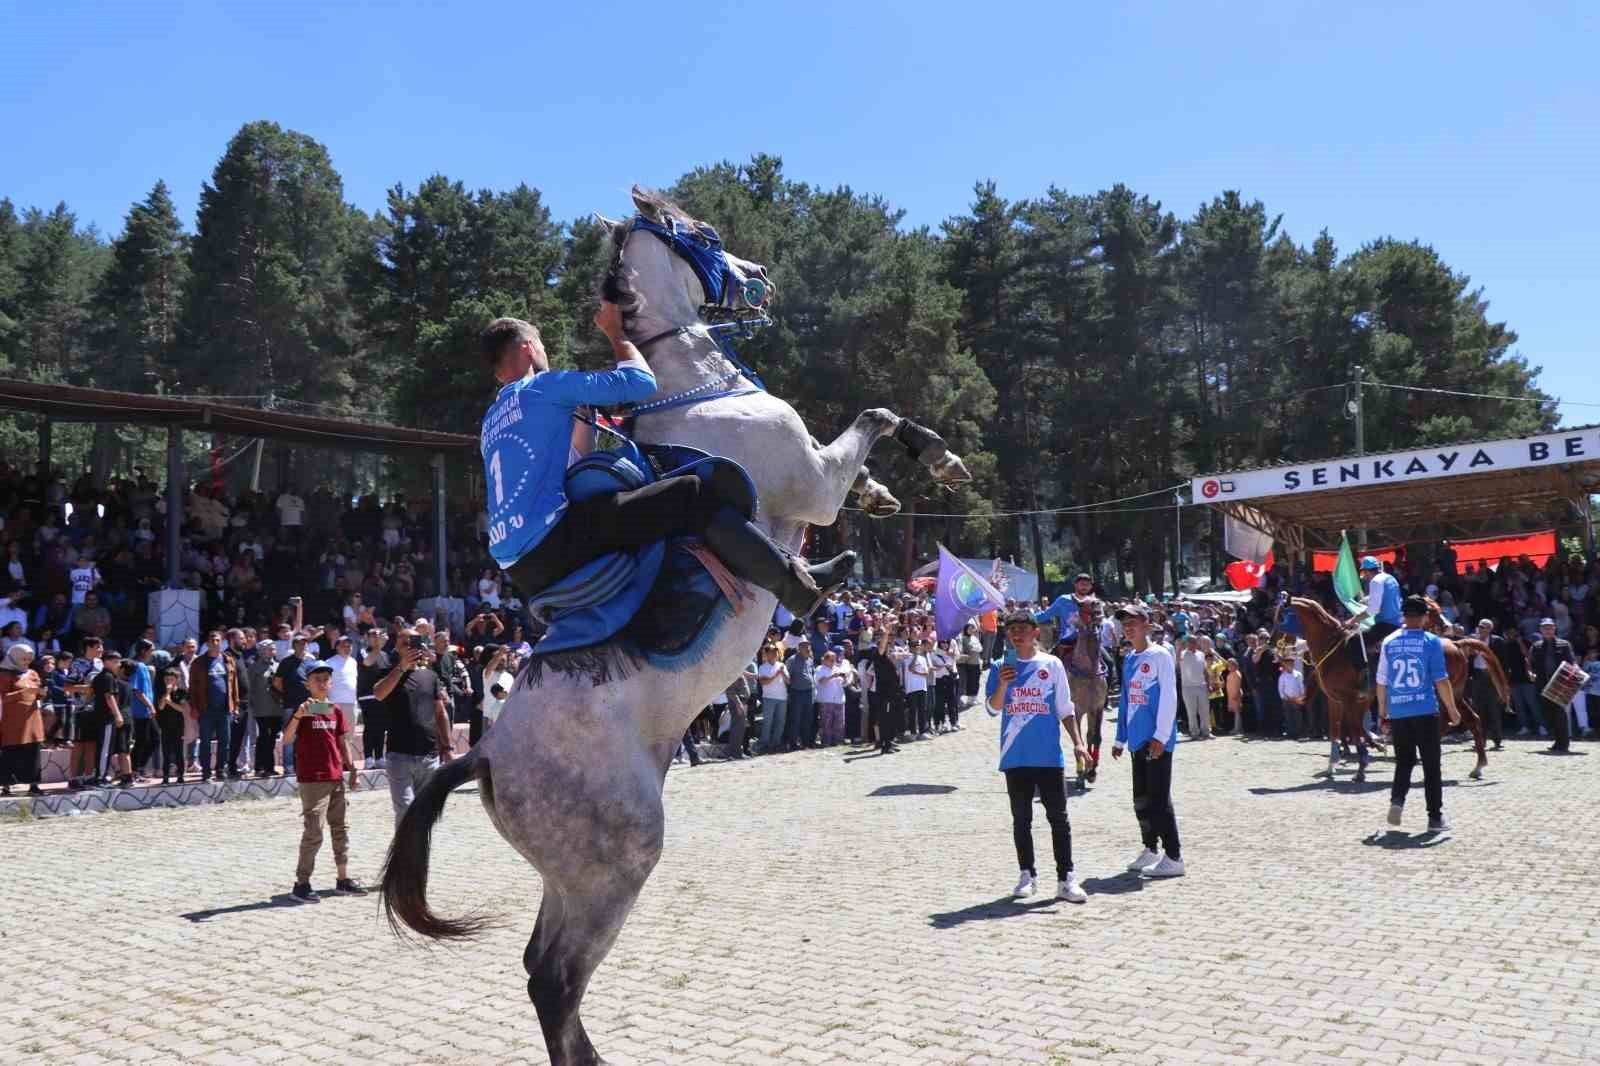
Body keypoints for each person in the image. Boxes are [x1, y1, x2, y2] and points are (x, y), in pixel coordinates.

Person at [478, 310, 850, 620]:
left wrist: (581, 414)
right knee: (690, 493)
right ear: (528, 348)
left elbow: (575, 463)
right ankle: (795, 590)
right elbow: (640, 382)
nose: (544, 352)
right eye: (540, 345)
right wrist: (617, 332)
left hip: (520, 570)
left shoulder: (491, 420)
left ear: (496, 372)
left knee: (625, 507)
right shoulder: (545, 387)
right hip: (555, 541)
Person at [986, 610, 1087, 903]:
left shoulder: (1052, 664)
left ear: (1035, 633)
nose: (1017, 634)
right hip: (1015, 755)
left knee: (1059, 819)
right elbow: (992, 709)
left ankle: (1066, 879)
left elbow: (1065, 708)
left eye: (1022, 629)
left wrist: (1079, 743)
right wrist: (1004, 685)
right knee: (1022, 820)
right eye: (1012, 630)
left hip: (1048, 755)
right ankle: (1026, 874)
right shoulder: (999, 666)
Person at [281, 660, 364, 903]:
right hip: (312, 779)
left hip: (335, 776)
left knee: (340, 830)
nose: (322, 682)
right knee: (314, 832)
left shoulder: (334, 709)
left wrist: (351, 768)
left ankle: (343, 879)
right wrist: (298, 715)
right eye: (316, 678)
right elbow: (286, 739)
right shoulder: (304, 709)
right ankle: (301, 884)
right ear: (307, 684)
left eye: (326, 678)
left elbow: (342, 741)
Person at [1112, 604, 1184, 878]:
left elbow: (1169, 697)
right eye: (1124, 624)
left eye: (1133, 622)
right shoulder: (1129, 658)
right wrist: (1120, 737)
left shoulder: (1160, 655)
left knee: (1159, 798)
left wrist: (1161, 736)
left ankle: (1174, 855)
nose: (1128, 628)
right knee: (1140, 799)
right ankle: (1150, 848)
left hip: (1156, 740)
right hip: (1136, 741)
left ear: (1146, 624)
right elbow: (1127, 701)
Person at [1378, 595, 1461, 832]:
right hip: (1425, 710)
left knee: (1404, 762)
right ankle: (1434, 817)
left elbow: (1381, 681)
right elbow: (1441, 680)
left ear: (1403, 616)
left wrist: (1383, 712)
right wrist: (1453, 709)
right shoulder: (1431, 641)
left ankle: (1397, 801)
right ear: (1425, 617)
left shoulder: (1389, 641)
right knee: (1431, 765)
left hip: (1399, 711)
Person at [372, 630, 453, 819]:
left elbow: (440, 712)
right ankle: (404, 849)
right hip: (399, 755)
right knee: (406, 811)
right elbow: (379, 693)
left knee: (426, 812)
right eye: (403, 640)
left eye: (413, 641)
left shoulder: (430, 676)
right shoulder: (388, 671)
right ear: (397, 646)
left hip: (429, 755)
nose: (408, 643)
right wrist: (401, 667)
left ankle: (420, 849)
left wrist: (448, 747)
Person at [188, 631, 240, 782]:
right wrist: (193, 707)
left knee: (225, 742)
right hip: (206, 709)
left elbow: (234, 684)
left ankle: (220, 770)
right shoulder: (199, 662)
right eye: (212, 640)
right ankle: (206, 772)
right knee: (205, 742)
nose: (215, 643)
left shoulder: (228, 660)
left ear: (221, 642)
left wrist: (235, 705)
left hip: (225, 709)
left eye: (217, 640)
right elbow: (192, 687)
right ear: (207, 643)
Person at [0, 644, 44, 796]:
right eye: (23, 658)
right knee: (11, 751)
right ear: (13, 657)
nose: (26, 662)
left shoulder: (32, 673)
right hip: (12, 721)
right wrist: (23, 692)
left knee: (33, 751)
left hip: (32, 717)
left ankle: (34, 785)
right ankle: (6, 785)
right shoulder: (4, 674)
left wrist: (42, 693)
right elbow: (2, 698)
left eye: (29, 659)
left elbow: (38, 693)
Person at [1529, 617, 1576, 753]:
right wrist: (1531, 673)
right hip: (1542, 684)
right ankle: (1557, 741)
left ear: (1554, 628)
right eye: (1545, 628)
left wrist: (1575, 671)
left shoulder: (1564, 644)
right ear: (1541, 630)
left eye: (1550, 627)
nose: (1548, 630)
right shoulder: (1536, 646)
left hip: (1559, 684)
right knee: (1548, 714)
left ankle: (1564, 743)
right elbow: (1530, 665)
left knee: (1560, 713)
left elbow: (1572, 662)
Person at [755, 642, 789, 754]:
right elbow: (764, 682)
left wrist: (783, 673)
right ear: (767, 654)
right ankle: (764, 744)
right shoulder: (762, 667)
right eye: (771, 652)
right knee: (768, 722)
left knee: (780, 722)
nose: (774, 654)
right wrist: (776, 674)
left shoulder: (782, 665)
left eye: (775, 652)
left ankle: (775, 744)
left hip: (782, 697)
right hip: (769, 698)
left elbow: (789, 681)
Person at [155, 670, 188, 784]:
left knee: (179, 752)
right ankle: (165, 776)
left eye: (171, 679)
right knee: (166, 752)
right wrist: (167, 694)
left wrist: (170, 702)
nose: (169, 681)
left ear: (177, 680)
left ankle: (180, 775)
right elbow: (161, 707)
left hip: (178, 726)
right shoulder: (161, 692)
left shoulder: (182, 692)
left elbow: (182, 709)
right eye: (167, 679)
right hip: (165, 726)